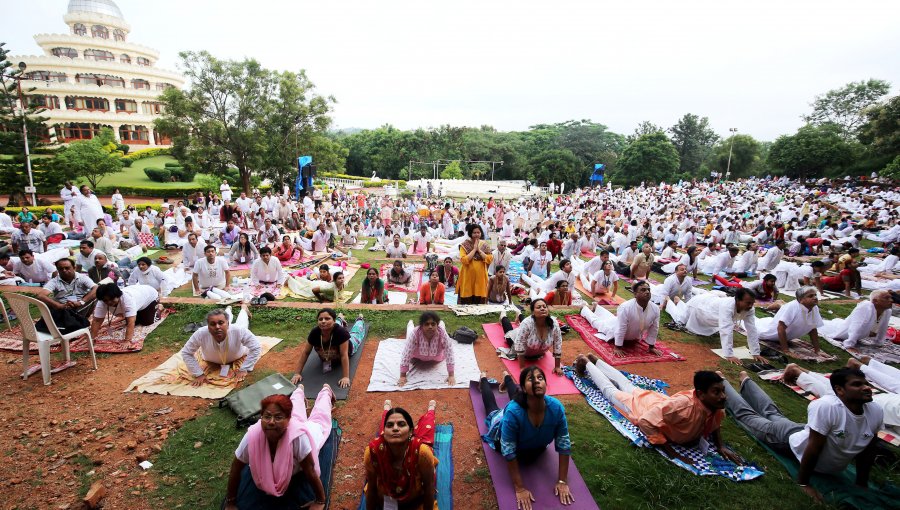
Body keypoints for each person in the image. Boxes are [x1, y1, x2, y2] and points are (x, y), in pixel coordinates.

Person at [721, 368, 881, 502]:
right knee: (749, 417)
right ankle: (723, 382)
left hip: (803, 431)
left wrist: (861, 483)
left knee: (773, 414)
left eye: (866, 383)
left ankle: (747, 382)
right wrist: (804, 484)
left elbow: (868, 451)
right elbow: (813, 447)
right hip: (786, 440)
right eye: (857, 384)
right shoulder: (828, 407)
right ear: (839, 390)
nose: (866, 387)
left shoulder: (875, 411)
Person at [573, 356, 740, 465]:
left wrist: (720, 446)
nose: (723, 396)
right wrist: (672, 453)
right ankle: (586, 362)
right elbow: (646, 421)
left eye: (723, 391)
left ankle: (596, 361)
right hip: (641, 407)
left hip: (656, 401)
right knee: (610, 391)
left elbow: (715, 423)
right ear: (701, 394)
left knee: (628, 385)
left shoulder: (715, 407)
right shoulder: (684, 406)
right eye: (717, 392)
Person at [477, 367, 573, 510]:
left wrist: (562, 481)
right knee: (492, 408)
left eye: (540, 378)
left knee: (515, 398)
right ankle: (483, 379)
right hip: (503, 430)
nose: (536, 382)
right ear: (523, 387)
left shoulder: (556, 408)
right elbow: (508, 450)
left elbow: (564, 443)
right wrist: (520, 488)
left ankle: (506, 378)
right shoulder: (514, 412)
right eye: (530, 379)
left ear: (546, 384)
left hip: (535, 446)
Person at [224, 385, 333, 510]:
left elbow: (310, 470)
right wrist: (230, 502)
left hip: (306, 432)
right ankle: (299, 390)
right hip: (290, 423)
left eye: (278, 417)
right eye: (267, 416)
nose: (271, 422)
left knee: (319, 420)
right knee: (295, 409)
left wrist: (320, 500)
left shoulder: (299, 438)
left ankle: (326, 392)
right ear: (261, 417)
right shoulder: (252, 437)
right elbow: (236, 468)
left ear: (288, 419)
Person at [363, 401, 438, 510]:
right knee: (386, 427)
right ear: (384, 432)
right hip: (384, 500)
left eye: (401, 424)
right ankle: (387, 408)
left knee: (427, 430)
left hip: (415, 502)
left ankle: (431, 409)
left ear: (411, 431)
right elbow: (372, 487)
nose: (395, 428)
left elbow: (429, 486)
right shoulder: (373, 452)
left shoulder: (422, 453)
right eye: (389, 425)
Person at [683, 288, 767, 366]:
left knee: (707, 330)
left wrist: (755, 352)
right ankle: (673, 301)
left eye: (752, 303)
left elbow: (752, 329)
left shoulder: (750, 309)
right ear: (737, 300)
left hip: (712, 312)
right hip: (698, 306)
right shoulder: (727, 306)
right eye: (748, 303)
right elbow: (726, 329)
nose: (750, 306)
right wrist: (729, 355)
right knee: (680, 319)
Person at [580, 280, 663, 358]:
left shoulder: (655, 309)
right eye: (643, 290)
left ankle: (597, 307)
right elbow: (621, 327)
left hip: (630, 332)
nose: (647, 292)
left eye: (648, 290)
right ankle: (584, 309)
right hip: (613, 329)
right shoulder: (625, 307)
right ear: (635, 294)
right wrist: (618, 347)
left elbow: (654, 328)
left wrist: (651, 346)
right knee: (597, 322)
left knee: (612, 318)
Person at [180, 306, 260, 386]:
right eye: (212, 324)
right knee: (221, 317)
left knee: (242, 323)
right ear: (208, 326)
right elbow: (186, 352)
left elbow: (256, 347)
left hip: (239, 353)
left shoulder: (239, 330)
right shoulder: (201, 333)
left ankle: (243, 309)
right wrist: (198, 373)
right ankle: (228, 309)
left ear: (228, 324)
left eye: (221, 323)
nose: (217, 327)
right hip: (209, 359)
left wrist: (245, 368)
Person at [290, 309, 368, 389]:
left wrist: (346, 377)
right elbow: (306, 352)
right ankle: (340, 318)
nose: (323, 321)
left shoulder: (341, 333)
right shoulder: (314, 333)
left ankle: (359, 319)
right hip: (329, 352)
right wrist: (297, 373)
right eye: (320, 319)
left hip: (350, 345)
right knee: (329, 326)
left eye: (327, 318)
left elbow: (344, 355)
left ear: (332, 320)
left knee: (357, 332)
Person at [502, 299, 564, 374]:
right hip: (515, 339)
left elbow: (558, 343)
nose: (542, 308)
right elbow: (519, 343)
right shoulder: (527, 323)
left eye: (544, 307)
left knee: (526, 324)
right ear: (533, 312)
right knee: (509, 332)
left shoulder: (554, 324)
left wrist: (557, 366)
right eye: (539, 307)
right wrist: (522, 368)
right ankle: (503, 316)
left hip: (536, 349)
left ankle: (519, 313)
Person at [818, 290, 892, 352]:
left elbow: (884, 327)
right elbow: (857, 325)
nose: (891, 300)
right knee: (818, 325)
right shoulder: (866, 307)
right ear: (875, 301)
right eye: (887, 298)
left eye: (890, 298)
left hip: (856, 334)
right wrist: (849, 344)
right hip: (842, 330)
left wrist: (879, 342)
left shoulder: (887, 311)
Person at [757, 286, 824, 354]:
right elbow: (780, 328)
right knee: (755, 325)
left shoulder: (814, 307)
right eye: (810, 296)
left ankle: (777, 304)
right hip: (771, 334)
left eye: (815, 295)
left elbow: (812, 329)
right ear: (801, 299)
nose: (815, 297)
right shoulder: (792, 306)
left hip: (787, 336)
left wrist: (817, 350)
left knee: (779, 308)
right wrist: (786, 350)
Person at [90, 283, 159, 348]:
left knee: (146, 322)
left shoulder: (128, 299)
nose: (109, 302)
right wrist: (92, 338)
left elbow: (130, 322)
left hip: (150, 297)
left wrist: (127, 341)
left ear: (118, 295)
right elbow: (97, 321)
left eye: (111, 299)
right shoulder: (102, 302)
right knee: (134, 321)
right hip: (136, 298)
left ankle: (159, 308)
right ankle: (137, 312)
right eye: (105, 300)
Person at [37, 258, 98, 331]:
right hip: (63, 307)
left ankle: (83, 318)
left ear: (74, 268)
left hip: (80, 305)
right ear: (58, 270)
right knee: (47, 301)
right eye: (61, 269)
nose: (64, 270)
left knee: (96, 295)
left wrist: (81, 301)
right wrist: (58, 305)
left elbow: (96, 288)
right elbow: (40, 295)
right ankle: (66, 322)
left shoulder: (82, 277)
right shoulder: (54, 281)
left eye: (67, 268)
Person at [398, 311, 455, 386]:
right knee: (409, 333)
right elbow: (406, 353)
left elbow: (449, 351)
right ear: (421, 326)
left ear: (437, 325)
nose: (430, 327)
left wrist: (451, 375)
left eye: (433, 324)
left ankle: (441, 323)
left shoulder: (442, 334)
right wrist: (402, 376)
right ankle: (410, 323)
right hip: (416, 357)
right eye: (427, 324)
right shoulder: (415, 333)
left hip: (436, 357)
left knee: (442, 329)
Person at [458, 224, 493, 305]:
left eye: (478, 232)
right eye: (474, 233)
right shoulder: (465, 245)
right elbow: (464, 260)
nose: (477, 234)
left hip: (480, 276)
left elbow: (489, 259)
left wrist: (479, 251)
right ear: (470, 233)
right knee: (467, 292)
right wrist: (474, 249)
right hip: (467, 275)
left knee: (479, 292)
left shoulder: (485, 245)